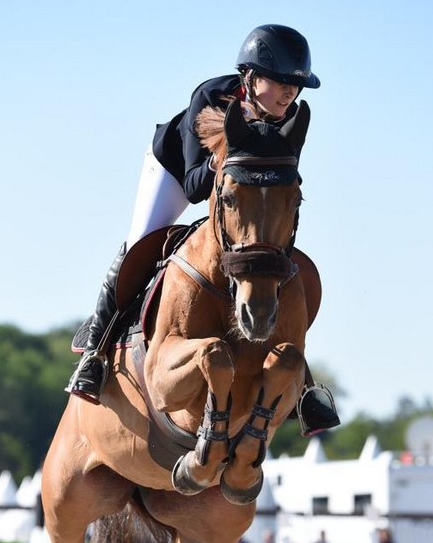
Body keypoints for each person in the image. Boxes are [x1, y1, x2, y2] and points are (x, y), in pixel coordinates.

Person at [67, 24, 340, 437]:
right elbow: (196, 185)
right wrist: (226, 157)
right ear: (251, 76)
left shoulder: (289, 118)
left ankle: (301, 383)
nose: (290, 93)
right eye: (282, 82)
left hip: (239, 198)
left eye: (296, 86)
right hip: (177, 171)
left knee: (272, 257)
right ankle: (95, 354)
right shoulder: (213, 97)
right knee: (141, 243)